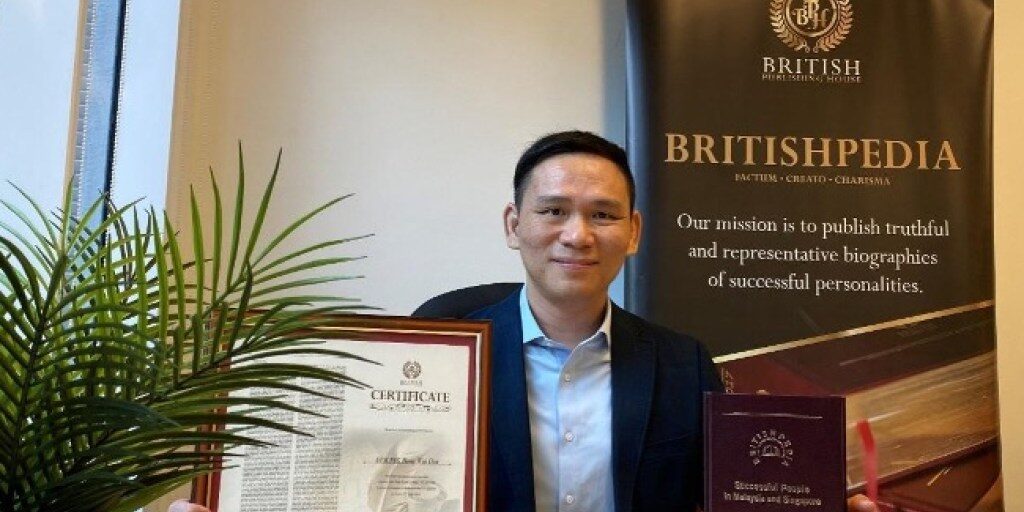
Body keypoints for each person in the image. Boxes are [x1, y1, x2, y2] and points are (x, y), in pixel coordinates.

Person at [170, 131, 879, 512]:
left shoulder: (683, 362)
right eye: (553, 211)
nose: (577, 234)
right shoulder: (444, 351)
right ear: (514, 225)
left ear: (633, 232)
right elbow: (354, 485)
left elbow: (721, 498)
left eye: (603, 215)